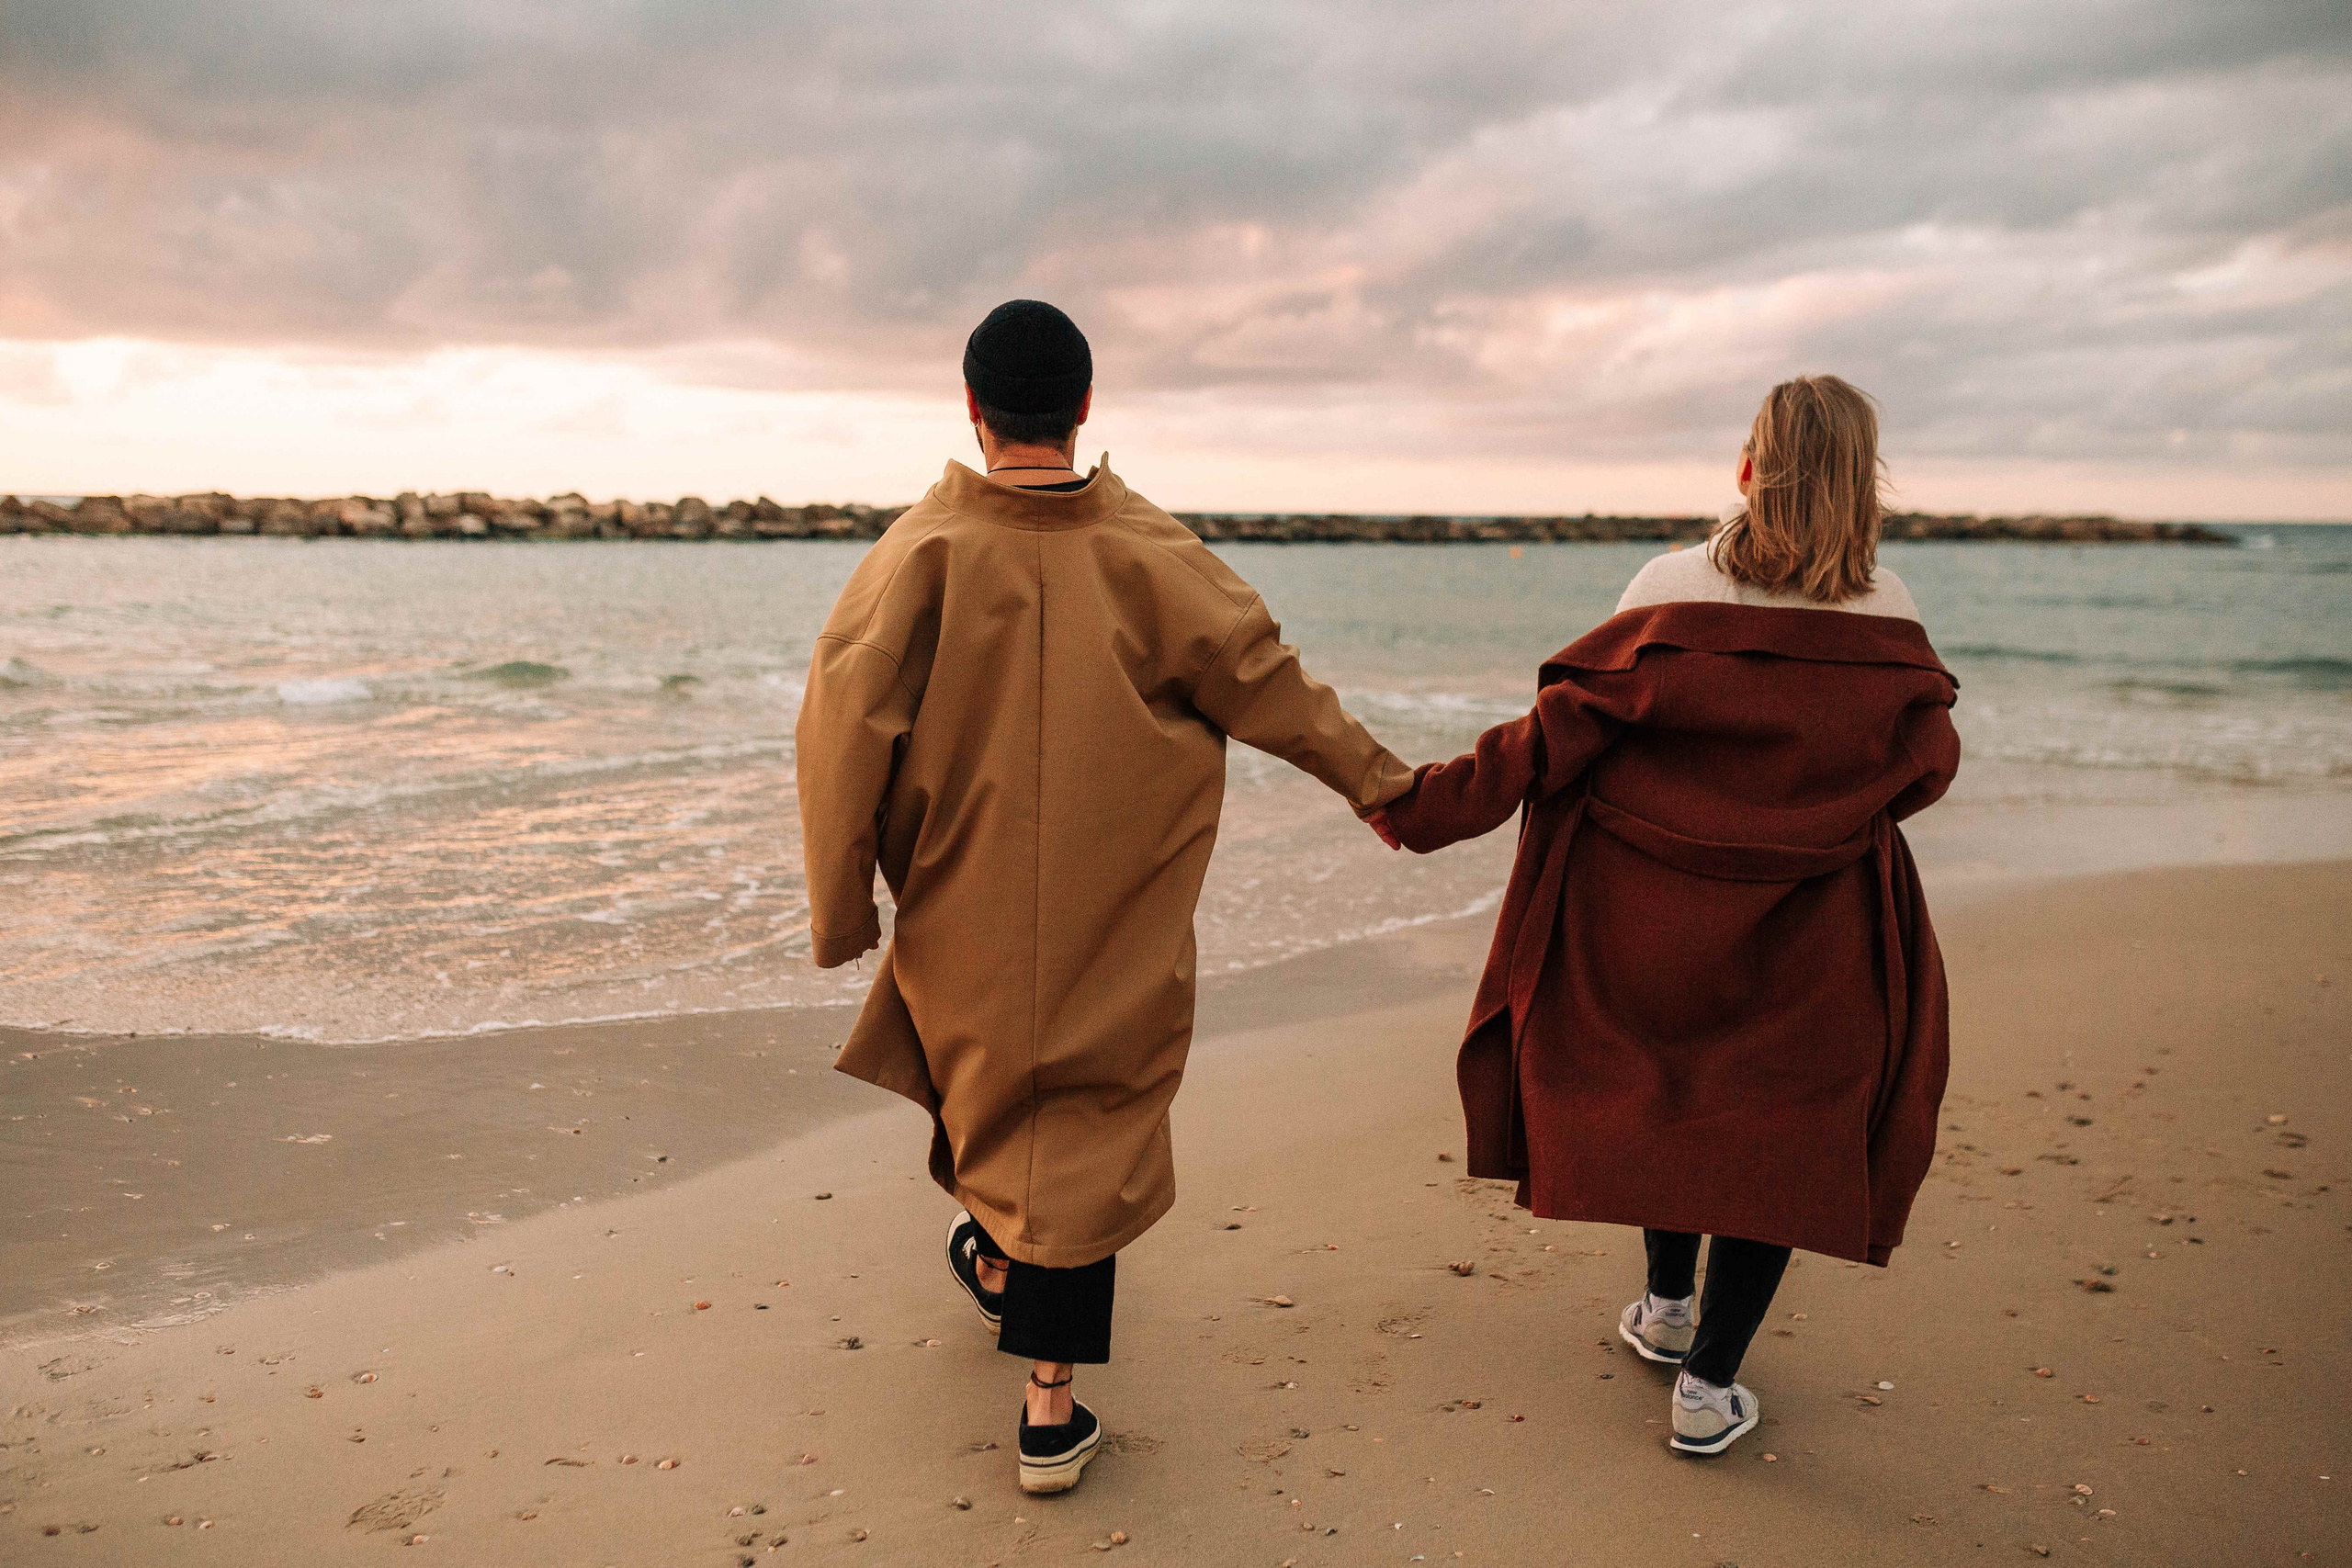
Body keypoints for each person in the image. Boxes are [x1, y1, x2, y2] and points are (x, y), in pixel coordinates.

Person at [795, 299, 1415, 1494]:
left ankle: (1033, 1352)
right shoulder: (1151, 550)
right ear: (1083, 406)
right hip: (1113, 902)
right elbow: (1266, 680)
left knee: (1013, 1099)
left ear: (971, 408)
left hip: (961, 902)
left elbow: (838, 734)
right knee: (1072, 1125)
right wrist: (1381, 786)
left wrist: (842, 912)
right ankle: (1038, 1377)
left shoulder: (915, 554)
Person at [1367, 375, 1961, 1456]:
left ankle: (1666, 1304)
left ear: (1747, 468)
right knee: (1775, 1134)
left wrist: (1418, 805)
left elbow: (1557, 734)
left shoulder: (1668, 587)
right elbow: (1926, 767)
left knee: (1672, 1095)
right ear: (1862, 486)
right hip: (1812, 927)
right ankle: (1707, 1382)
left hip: (1649, 919)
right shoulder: (1891, 612)